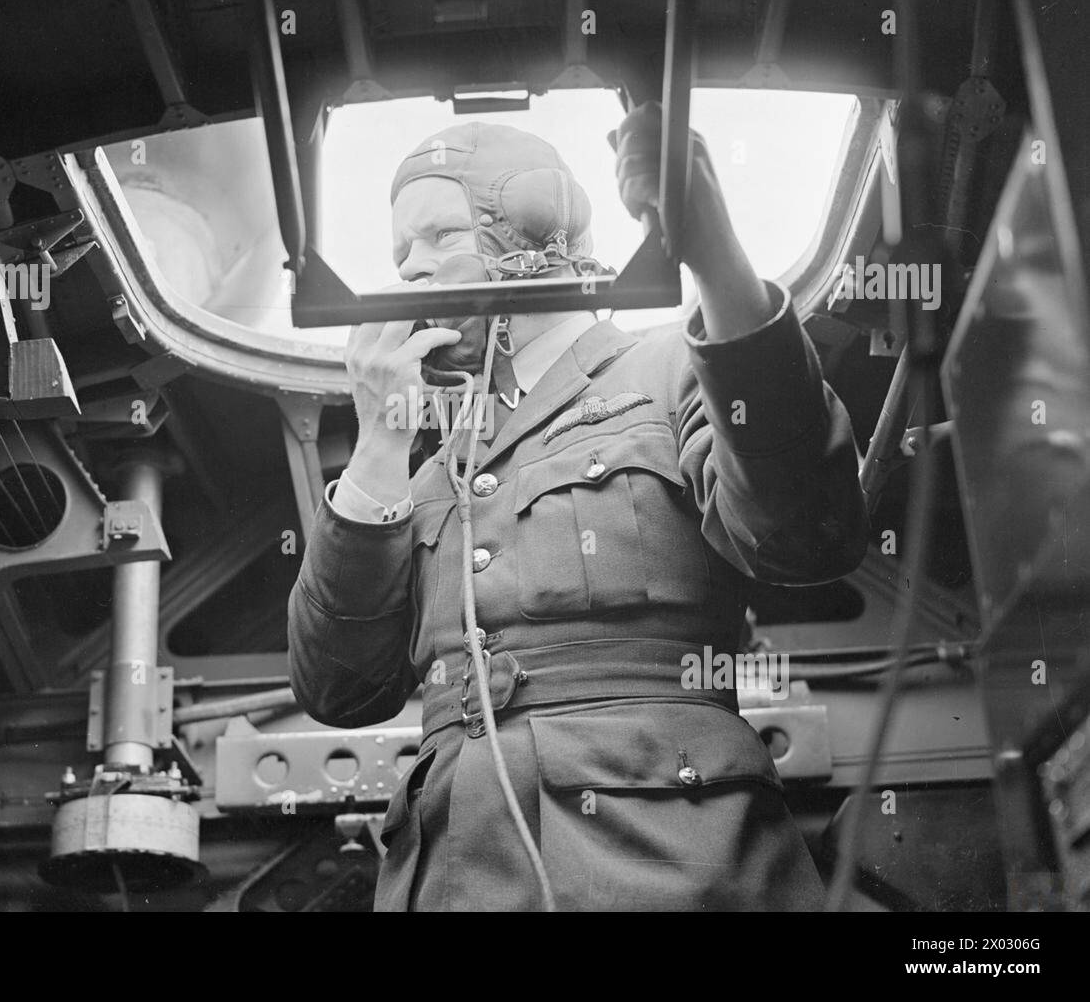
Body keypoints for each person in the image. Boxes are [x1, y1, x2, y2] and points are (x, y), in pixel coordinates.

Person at [287, 108, 869, 911]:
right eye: (399, 254)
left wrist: (715, 259)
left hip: (671, 865)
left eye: (440, 238)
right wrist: (381, 444)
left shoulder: (668, 369)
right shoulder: (422, 477)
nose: (412, 272)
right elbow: (336, 690)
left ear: (534, 241)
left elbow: (809, 534)